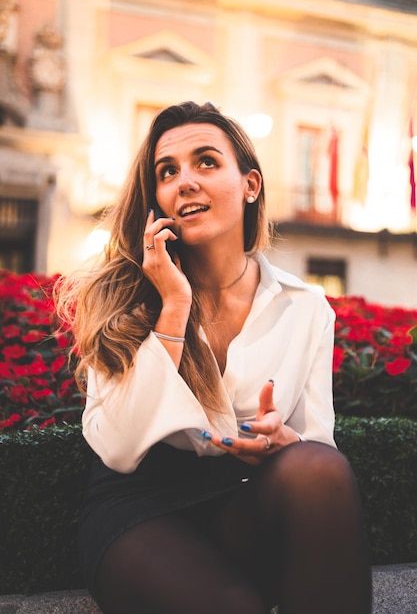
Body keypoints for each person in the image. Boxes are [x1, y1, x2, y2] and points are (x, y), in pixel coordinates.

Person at [57, 100, 372, 614]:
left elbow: (313, 443)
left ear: (251, 185)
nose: (185, 181)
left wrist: (279, 441)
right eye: (168, 171)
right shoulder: (123, 297)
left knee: (320, 469)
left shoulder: (306, 308)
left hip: (240, 501)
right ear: (156, 198)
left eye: (206, 161)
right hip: (138, 511)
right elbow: (117, 447)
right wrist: (174, 306)